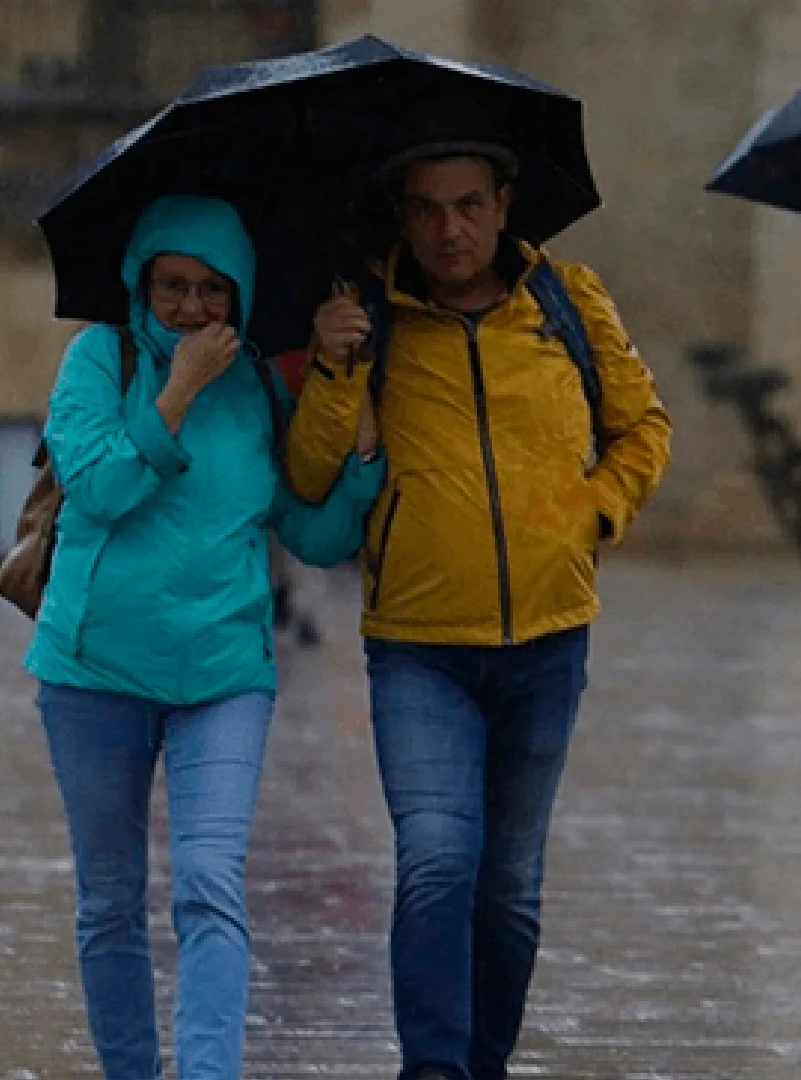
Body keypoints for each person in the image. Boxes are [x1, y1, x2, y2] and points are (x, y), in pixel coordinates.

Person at [283, 99, 672, 1080]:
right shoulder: (369, 317)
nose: (449, 229)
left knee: (507, 889)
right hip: (418, 647)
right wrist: (332, 367)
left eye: (467, 205)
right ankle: (434, 1070)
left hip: (549, 641)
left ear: (503, 204)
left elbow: (644, 429)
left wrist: (592, 513)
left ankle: (481, 1064)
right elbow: (312, 475)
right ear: (400, 218)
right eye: (425, 209)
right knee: (435, 861)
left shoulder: (570, 303)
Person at [26, 194, 386, 1080]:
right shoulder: (96, 361)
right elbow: (102, 490)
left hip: (223, 677)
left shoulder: (259, 383)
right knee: (110, 899)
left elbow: (311, 535)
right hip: (94, 672)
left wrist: (364, 459)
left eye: (212, 289)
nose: (191, 307)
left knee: (211, 886)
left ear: (241, 293)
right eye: (172, 286)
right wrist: (177, 392)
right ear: (140, 285)